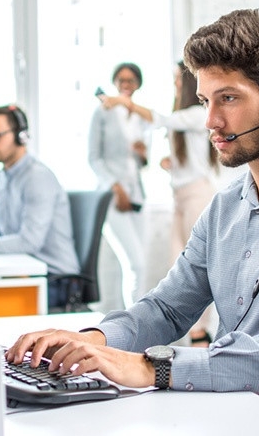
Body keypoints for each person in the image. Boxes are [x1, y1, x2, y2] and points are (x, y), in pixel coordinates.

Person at [6, 9, 259, 431]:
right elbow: (167, 309)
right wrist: (91, 341)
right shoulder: (226, 207)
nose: (210, 122)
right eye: (206, 101)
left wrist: (156, 367)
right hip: (221, 408)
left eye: (228, 98)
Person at [106, 61, 220, 346]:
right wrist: (170, 164)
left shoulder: (198, 113)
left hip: (198, 196)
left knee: (202, 268)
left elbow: (161, 119)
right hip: (180, 197)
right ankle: (190, 334)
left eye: (177, 81)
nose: (175, 86)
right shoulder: (185, 116)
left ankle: (201, 333)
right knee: (178, 268)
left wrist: (126, 104)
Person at [0, 104, 80, 311]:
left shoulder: (37, 177)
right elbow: (1, 229)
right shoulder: (2, 178)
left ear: (21, 136)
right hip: (24, 270)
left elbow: (29, 242)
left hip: (55, 280)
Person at [88, 62, 151, 308]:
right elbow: (93, 157)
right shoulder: (102, 112)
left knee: (141, 265)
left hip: (138, 196)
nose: (126, 85)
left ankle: (136, 319)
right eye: (121, 80)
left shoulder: (141, 117)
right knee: (134, 263)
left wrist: (143, 154)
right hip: (112, 196)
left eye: (131, 81)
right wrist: (115, 187)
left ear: (137, 85)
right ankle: (134, 325)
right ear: (114, 82)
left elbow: (143, 163)